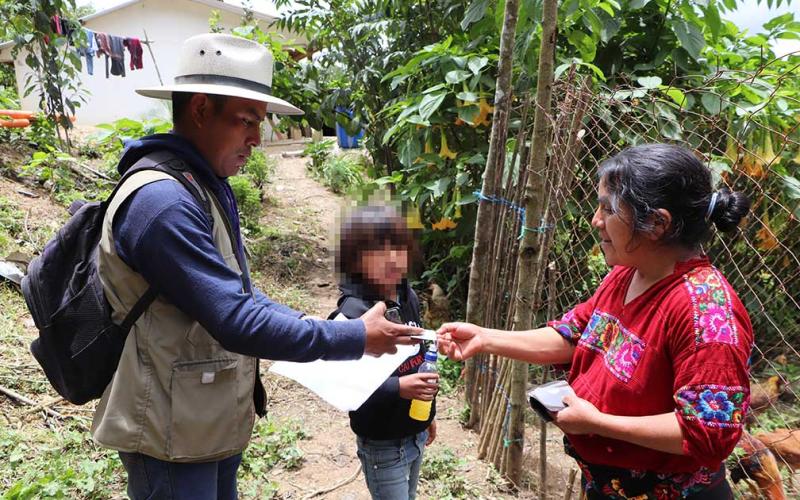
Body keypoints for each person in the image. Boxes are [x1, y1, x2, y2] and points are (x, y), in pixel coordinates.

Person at [92, 34, 419, 500]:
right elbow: (235, 318)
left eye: (259, 123)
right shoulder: (163, 203)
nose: (255, 139)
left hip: (199, 420)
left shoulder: (200, 185)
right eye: (246, 121)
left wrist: (317, 326)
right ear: (200, 109)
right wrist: (352, 337)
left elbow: (238, 293)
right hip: (168, 432)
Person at [439, 144, 753, 499]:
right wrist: (484, 338)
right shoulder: (627, 274)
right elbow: (574, 335)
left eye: (608, 208)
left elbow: (709, 432)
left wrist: (598, 423)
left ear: (657, 223)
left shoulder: (707, 313)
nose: (595, 220)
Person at [329, 205, 438, 500]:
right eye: (377, 251)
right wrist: (399, 388)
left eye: (398, 248)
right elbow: (343, 383)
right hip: (383, 443)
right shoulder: (353, 314)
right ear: (355, 260)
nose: (391, 259)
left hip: (414, 432)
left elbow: (417, 358)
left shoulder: (407, 296)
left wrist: (427, 414)